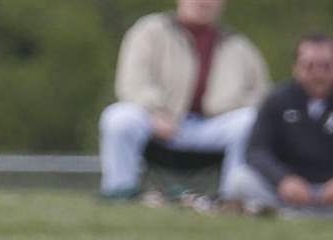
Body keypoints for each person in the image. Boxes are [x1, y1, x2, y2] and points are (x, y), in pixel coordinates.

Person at [98, 0, 270, 201]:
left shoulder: (240, 47)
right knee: (118, 117)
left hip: (211, 127)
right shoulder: (149, 31)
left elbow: (262, 96)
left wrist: (232, 106)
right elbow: (132, 82)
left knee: (249, 121)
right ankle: (120, 192)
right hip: (157, 122)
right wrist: (155, 110)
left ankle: (232, 200)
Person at [228, 34, 333, 218]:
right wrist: (283, 180)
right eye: (309, 66)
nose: (318, 74)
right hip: (287, 194)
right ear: (295, 68)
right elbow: (257, 151)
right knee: (240, 181)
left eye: (326, 66)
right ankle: (295, 215)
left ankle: (305, 217)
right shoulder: (276, 101)